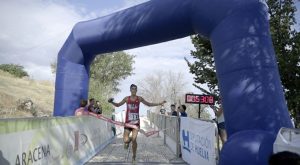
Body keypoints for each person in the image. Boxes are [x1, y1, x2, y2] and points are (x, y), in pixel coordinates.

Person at [108, 84, 166, 163]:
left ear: (136, 90)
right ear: (130, 90)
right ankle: (127, 142)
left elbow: (148, 104)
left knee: (134, 140)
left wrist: (159, 103)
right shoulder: (126, 99)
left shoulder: (139, 98)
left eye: (135, 89)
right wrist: (112, 102)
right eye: (132, 89)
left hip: (136, 123)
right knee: (125, 140)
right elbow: (118, 105)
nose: (134, 90)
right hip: (128, 123)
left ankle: (134, 157)